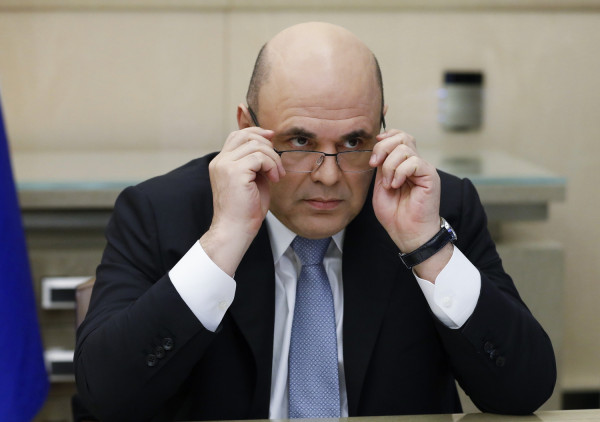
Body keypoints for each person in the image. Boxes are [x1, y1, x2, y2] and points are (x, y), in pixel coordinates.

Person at [74, 22, 556, 422]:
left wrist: (427, 247)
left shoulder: (434, 208)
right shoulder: (161, 212)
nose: (328, 176)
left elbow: (524, 391)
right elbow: (105, 399)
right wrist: (223, 242)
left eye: (354, 142)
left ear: (382, 129)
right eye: (300, 142)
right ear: (246, 128)